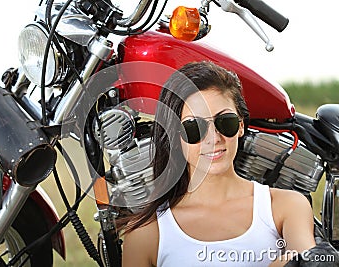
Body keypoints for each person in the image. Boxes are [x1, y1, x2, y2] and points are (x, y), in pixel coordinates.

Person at [121, 61, 316, 266]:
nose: (214, 138)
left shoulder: (287, 205)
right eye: (194, 127)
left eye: (225, 122)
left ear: (241, 126)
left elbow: (308, 260)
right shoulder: (147, 232)